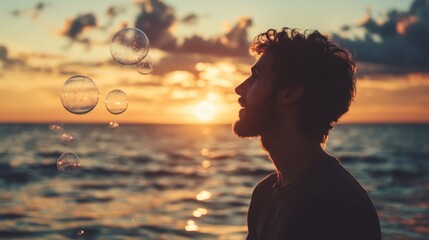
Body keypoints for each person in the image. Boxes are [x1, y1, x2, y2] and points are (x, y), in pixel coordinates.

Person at [233, 28, 381, 240]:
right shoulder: (265, 193)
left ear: (290, 93)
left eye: (255, 77)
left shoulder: (332, 207)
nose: (240, 89)